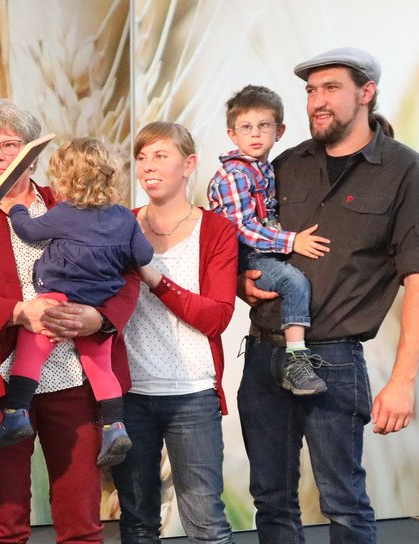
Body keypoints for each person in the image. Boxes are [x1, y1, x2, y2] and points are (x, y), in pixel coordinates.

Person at [238, 47, 419, 544]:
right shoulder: (286, 164)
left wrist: (402, 381)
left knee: (343, 503)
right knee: (270, 499)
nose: (316, 101)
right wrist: (242, 283)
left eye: (330, 88)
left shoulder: (408, 173)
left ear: (366, 93)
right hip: (264, 353)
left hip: (333, 360)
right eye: (311, 91)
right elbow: (250, 236)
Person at [0, 99, 139, 543]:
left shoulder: (78, 205)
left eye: (9, 144)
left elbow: (128, 277)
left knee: (82, 522)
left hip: (76, 380)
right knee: (3, 524)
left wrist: (97, 318)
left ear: (32, 154)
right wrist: (17, 312)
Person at [111, 121, 238, 544]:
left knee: (205, 521)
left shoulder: (217, 231)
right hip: (129, 396)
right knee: (137, 521)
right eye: (142, 158)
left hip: (193, 395)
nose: (148, 166)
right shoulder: (120, 226)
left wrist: (154, 278)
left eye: (160, 156)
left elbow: (216, 317)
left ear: (189, 165)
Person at [0, 137, 153, 468]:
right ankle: (114, 426)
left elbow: (28, 232)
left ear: (65, 180)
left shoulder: (64, 213)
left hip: (57, 297)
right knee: (100, 367)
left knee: (31, 350)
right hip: (96, 306)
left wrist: (17, 209)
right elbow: (143, 256)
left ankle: (16, 412)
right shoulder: (124, 218)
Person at [208, 84, 330, 395]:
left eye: (264, 126)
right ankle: (297, 362)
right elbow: (242, 228)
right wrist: (292, 242)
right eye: (246, 127)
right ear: (232, 135)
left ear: (279, 131)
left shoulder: (265, 170)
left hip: (264, 249)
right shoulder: (235, 175)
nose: (255, 134)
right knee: (294, 283)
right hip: (247, 255)